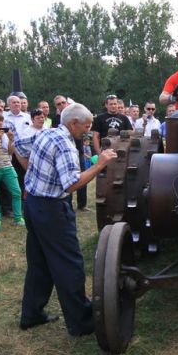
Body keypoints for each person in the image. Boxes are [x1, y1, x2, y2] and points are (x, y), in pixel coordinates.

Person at [14, 103, 117, 334]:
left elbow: (18, 145)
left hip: (32, 204)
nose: (88, 131)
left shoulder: (45, 133)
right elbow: (71, 184)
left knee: (39, 263)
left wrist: (32, 172)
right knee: (69, 264)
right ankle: (81, 322)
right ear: (73, 123)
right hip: (52, 210)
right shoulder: (65, 143)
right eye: (86, 126)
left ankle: (31, 314)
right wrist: (99, 165)